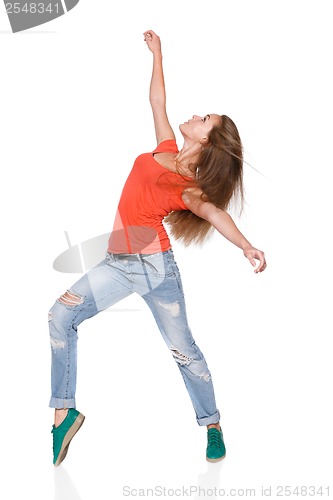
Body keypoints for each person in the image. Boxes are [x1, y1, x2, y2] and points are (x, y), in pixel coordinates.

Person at [48, 29, 267, 467]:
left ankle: (213, 425)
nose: (197, 116)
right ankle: (63, 413)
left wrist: (247, 246)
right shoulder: (165, 148)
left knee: (183, 350)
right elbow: (157, 103)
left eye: (206, 119)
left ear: (206, 140)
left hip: (154, 269)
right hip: (116, 261)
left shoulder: (188, 188)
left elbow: (216, 215)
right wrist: (158, 54)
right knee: (60, 315)